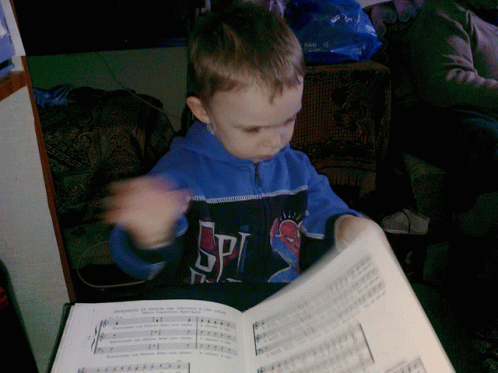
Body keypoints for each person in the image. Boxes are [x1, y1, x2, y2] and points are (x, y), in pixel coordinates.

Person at [102, 3, 365, 285]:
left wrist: (345, 226)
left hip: (278, 309)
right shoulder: (179, 173)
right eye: (252, 129)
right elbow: (141, 264)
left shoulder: (297, 169)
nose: (275, 142)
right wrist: (148, 236)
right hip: (205, 315)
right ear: (203, 112)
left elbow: (328, 213)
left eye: (289, 120)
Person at [407, 0, 498, 237]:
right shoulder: (443, 12)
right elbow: (444, 82)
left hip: (489, 112)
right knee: (486, 139)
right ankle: (467, 248)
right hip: (450, 115)